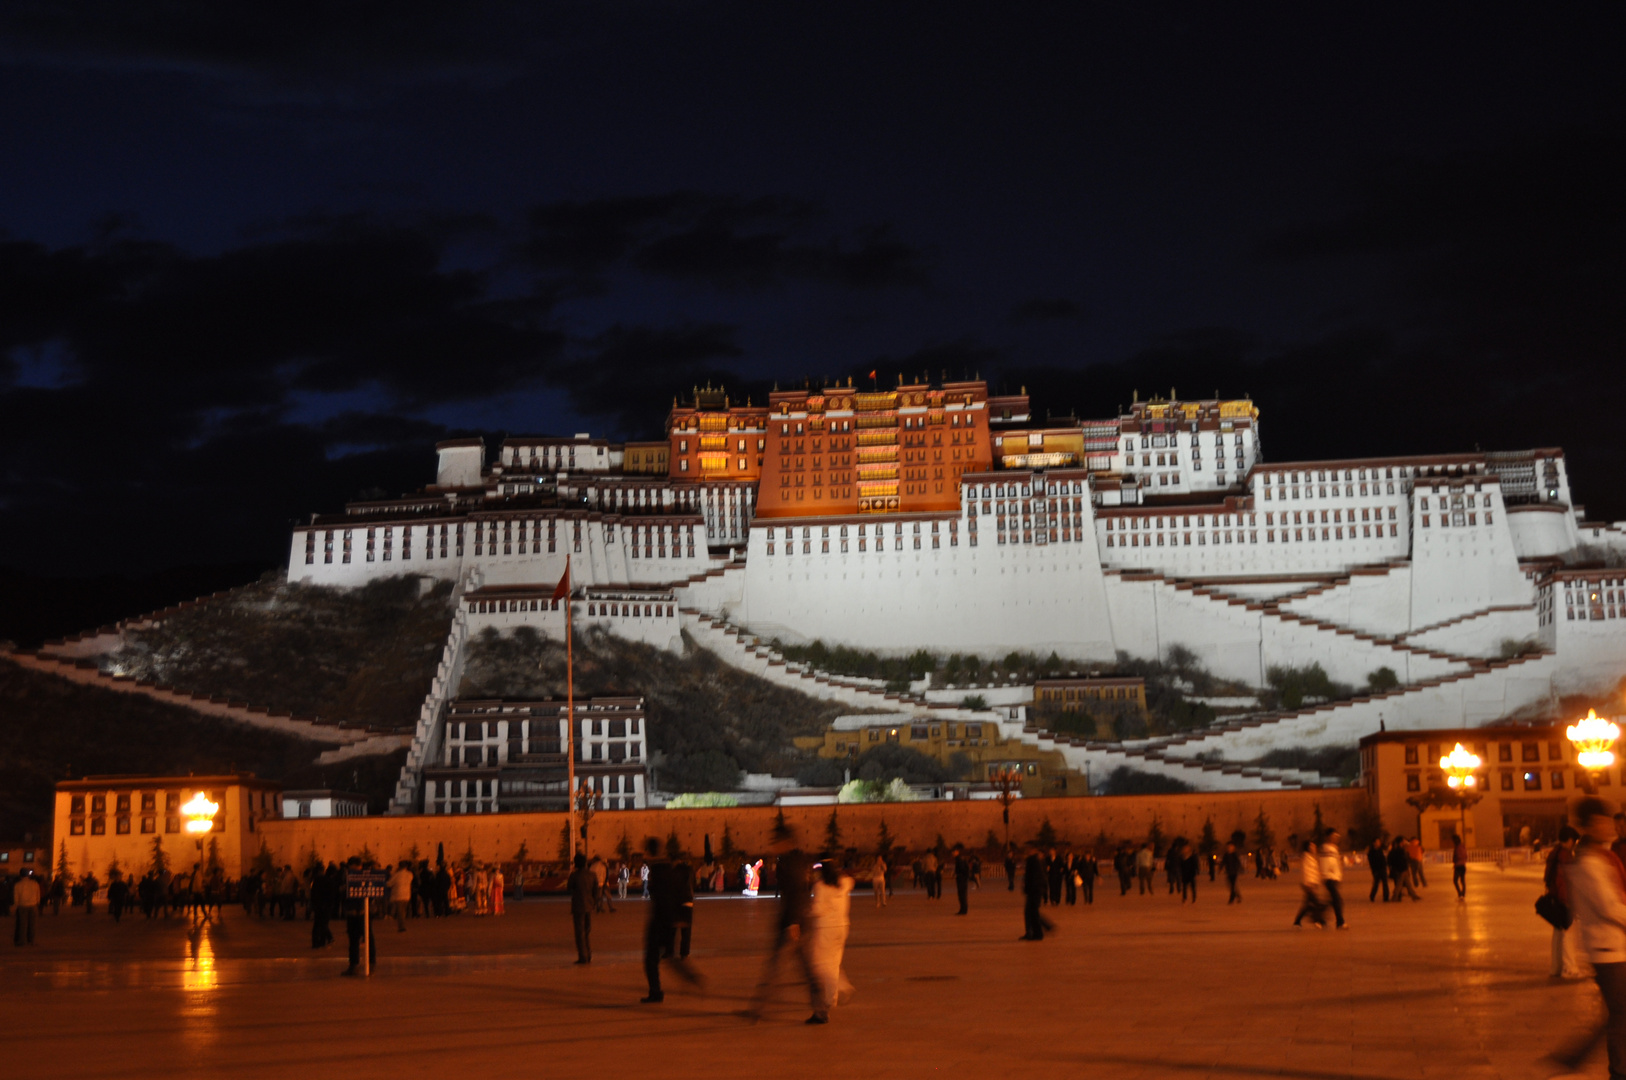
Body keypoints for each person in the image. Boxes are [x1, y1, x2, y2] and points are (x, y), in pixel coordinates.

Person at [1549, 797, 1626, 1078]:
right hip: (1607, 949)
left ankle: (1572, 1060)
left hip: (1613, 947)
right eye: (1603, 822)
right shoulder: (1589, 863)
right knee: (1620, 1015)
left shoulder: (1600, 857)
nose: (1610, 826)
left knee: (1618, 1014)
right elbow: (1609, 907)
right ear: (1589, 826)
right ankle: (1616, 1071)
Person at [746, 836, 813, 1021]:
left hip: (793, 924)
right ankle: (758, 1008)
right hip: (793, 922)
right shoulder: (794, 861)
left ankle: (821, 1006)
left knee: (788, 967)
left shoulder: (791, 864)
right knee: (790, 967)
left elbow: (795, 893)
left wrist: (793, 922)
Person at [805, 860, 855, 1025]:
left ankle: (839, 988)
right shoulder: (844, 883)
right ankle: (832, 997)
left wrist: (808, 911)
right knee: (834, 962)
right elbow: (850, 881)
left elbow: (819, 909)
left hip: (826, 928)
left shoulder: (820, 886)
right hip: (842, 927)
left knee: (818, 963)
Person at [1545, 825, 1582, 980]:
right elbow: (1563, 880)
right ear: (1570, 840)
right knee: (1568, 934)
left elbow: (1549, 878)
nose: (1574, 844)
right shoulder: (1565, 855)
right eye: (1574, 841)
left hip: (1554, 897)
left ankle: (1556, 967)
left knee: (1558, 934)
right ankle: (1570, 968)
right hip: (1563, 898)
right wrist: (1568, 901)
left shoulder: (1554, 853)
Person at [340, 857, 376, 977]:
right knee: (353, 939)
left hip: (362, 912)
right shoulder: (346, 875)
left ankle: (370, 964)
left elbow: (373, 893)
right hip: (352, 912)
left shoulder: (367, 875)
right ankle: (354, 965)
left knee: (367, 938)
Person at [567, 853, 597, 964]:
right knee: (587, 931)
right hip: (589, 906)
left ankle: (583, 956)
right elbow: (596, 892)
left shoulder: (575, 875)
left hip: (578, 906)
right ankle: (589, 954)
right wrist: (593, 903)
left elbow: (569, 887)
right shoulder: (592, 875)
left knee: (580, 933)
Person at [1292, 839, 1326, 929]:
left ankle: (1297, 921)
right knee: (1317, 903)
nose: (1315, 848)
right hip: (1309, 884)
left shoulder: (1311, 857)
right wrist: (1308, 884)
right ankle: (1319, 920)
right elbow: (1306, 872)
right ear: (1308, 848)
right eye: (1313, 846)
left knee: (1307, 905)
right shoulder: (1306, 858)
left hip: (1312, 883)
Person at [1020, 851, 1053, 941]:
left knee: (1032, 912)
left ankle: (1037, 933)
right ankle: (1035, 932)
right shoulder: (1039, 862)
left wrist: (1027, 888)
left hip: (1034, 891)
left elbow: (1032, 877)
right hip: (1036, 890)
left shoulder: (1033, 861)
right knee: (1031, 912)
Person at [1320, 830, 1347, 929]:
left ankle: (1320, 918)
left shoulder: (1334, 848)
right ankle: (1340, 922)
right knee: (1338, 900)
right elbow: (1326, 862)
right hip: (1329, 878)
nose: (1335, 838)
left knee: (1332, 901)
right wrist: (1327, 873)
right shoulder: (1326, 848)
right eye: (1333, 836)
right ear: (1328, 837)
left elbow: (1335, 863)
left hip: (1335, 878)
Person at [13, 869, 41, 946]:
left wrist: (16, 906)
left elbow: (16, 897)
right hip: (33, 905)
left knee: (23, 924)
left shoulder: (18, 885)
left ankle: (22, 941)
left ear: (20, 875)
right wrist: (37, 902)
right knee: (32, 924)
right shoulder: (35, 884)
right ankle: (31, 940)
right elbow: (38, 894)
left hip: (22, 905)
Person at [1387, 837, 1420, 901]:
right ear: (1400, 842)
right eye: (1403, 842)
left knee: (1408, 884)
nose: (1404, 843)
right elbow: (1401, 860)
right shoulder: (1399, 850)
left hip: (1402, 869)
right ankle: (1395, 896)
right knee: (1399, 884)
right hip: (1401, 870)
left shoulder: (1398, 850)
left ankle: (1413, 895)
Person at [387, 861, 413, 932]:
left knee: (400, 912)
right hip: (407, 895)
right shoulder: (410, 874)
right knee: (403, 911)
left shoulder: (397, 875)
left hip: (398, 895)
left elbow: (389, 884)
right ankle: (402, 925)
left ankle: (401, 926)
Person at [1366, 834, 1389, 902]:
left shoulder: (1380, 850)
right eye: (1377, 841)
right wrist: (1374, 871)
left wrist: (1385, 865)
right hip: (1376, 870)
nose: (1379, 843)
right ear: (1374, 843)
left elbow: (1383, 858)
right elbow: (1372, 862)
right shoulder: (1371, 852)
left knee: (1385, 883)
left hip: (1383, 868)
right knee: (1376, 884)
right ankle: (1372, 896)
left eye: (1379, 841)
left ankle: (1386, 897)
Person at [953, 847, 971, 915]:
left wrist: (958, 874)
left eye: (954, 852)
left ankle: (963, 910)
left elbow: (962, 869)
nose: (953, 853)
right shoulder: (960, 859)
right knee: (962, 895)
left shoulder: (959, 859)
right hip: (963, 879)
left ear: (957, 852)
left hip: (961, 879)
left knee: (962, 895)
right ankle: (963, 909)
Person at [1451, 833, 1468, 901]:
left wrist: (1455, 862)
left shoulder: (1457, 848)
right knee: (1462, 881)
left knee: (1455, 880)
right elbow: (1466, 856)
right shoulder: (1463, 846)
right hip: (1463, 866)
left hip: (1458, 866)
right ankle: (1463, 894)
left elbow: (1456, 857)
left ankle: (1460, 894)